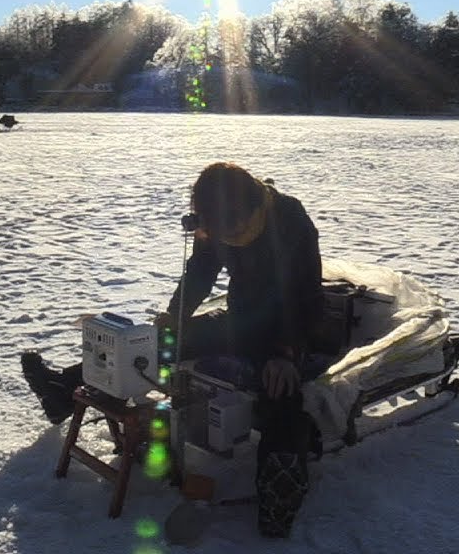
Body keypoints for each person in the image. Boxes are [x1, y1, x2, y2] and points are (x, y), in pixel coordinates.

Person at [21, 162, 335, 538]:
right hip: (241, 319)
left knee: (279, 391)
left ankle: (279, 488)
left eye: (237, 232)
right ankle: (64, 391)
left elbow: (308, 299)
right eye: (222, 235)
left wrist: (286, 353)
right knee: (157, 342)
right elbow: (201, 271)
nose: (230, 240)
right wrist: (175, 315)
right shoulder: (215, 217)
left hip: (290, 328)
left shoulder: (290, 220)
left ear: (253, 211)